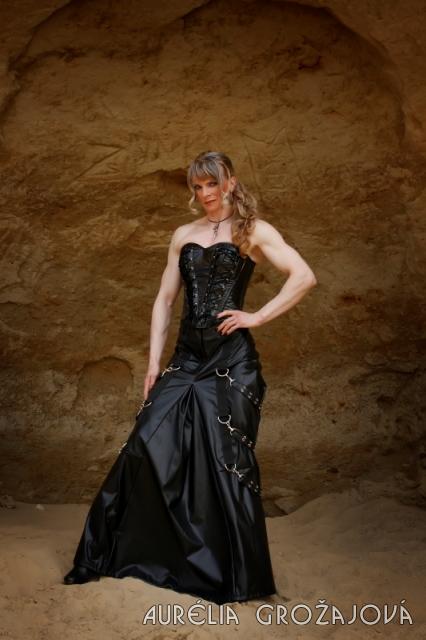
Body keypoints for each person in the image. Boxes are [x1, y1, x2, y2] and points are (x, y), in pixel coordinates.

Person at [63, 150, 317, 604]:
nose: (205, 194)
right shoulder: (183, 235)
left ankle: (238, 580)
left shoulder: (253, 230)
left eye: (212, 184)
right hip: (186, 359)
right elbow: (164, 301)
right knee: (144, 442)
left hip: (231, 361)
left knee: (225, 461)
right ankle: (106, 557)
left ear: (230, 182)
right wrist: (153, 364)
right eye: (198, 187)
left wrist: (256, 317)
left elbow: (304, 276)